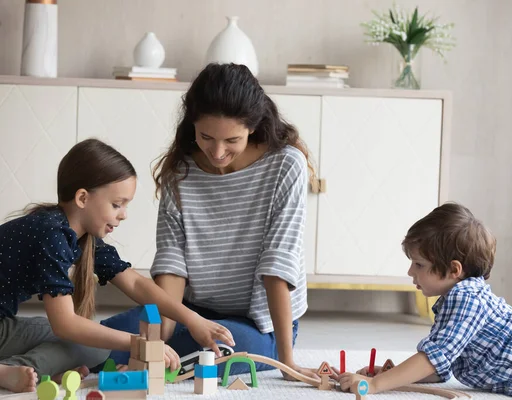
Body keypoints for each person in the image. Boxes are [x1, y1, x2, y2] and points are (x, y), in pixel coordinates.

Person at [101, 62, 320, 379]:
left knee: (221, 351)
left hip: (258, 323)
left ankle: (164, 359)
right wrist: (158, 341)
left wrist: (287, 362)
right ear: (192, 125)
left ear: (253, 127)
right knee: (100, 339)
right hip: (191, 314)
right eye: (206, 137)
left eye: (232, 140)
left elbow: (278, 263)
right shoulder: (181, 172)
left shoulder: (286, 164)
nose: (217, 152)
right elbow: (173, 262)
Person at [0, 139, 233, 393]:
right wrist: (139, 344)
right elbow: (64, 323)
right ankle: (12, 372)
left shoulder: (81, 236)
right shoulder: (51, 234)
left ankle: (22, 372)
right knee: (84, 336)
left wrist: (192, 319)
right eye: (117, 204)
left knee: (96, 343)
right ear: (82, 198)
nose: (124, 214)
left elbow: (134, 282)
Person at [338, 202, 512, 400]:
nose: (410, 272)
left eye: (418, 264)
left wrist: (374, 386)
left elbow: (432, 357)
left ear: (454, 270)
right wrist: (392, 375)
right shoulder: (452, 305)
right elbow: (441, 367)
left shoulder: (465, 296)